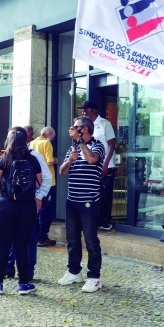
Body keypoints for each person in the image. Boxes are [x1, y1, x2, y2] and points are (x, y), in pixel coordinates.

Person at [0, 127, 42, 296]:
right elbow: (38, 183)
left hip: (5, 205)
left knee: (3, 246)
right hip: (26, 206)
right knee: (22, 246)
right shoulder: (33, 159)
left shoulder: (5, 158)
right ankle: (23, 284)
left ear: (9, 142)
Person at [58, 116, 106, 293]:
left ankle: (94, 277)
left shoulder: (97, 145)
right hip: (72, 201)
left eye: (75, 126)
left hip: (89, 202)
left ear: (84, 129)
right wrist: (69, 160)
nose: (72, 128)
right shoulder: (73, 148)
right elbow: (62, 172)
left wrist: (80, 144)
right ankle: (74, 271)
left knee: (91, 240)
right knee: (72, 239)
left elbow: (92, 160)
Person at [78, 100, 116, 231]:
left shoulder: (105, 124)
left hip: (106, 166)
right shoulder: (85, 127)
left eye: (85, 110)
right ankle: (95, 220)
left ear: (93, 111)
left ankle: (105, 222)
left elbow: (111, 145)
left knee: (105, 194)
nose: (83, 112)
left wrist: (105, 164)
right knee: (94, 194)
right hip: (91, 165)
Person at [29, 127, 58, 247]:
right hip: (48, 181)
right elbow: (49, 162)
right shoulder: (47, 143)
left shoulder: (31, 143)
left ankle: (35, 234)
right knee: (47, 210)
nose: (53, 139)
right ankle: (42, 236)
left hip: (36, 180)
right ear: (49, 134)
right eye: (53, 136)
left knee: (36, 208)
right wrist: (56, 160)